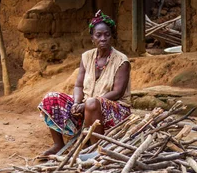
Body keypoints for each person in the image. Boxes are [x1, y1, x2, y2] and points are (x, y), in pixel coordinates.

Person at [39, 10, 132, 156]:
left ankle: (94, 149)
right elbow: (79, 85)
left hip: (114, 109)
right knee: (51, 98)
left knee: (92, 103)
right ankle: (58, 144)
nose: (103, 39)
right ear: (92, 38)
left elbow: (117, 92)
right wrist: (76, 103)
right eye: (98, 35)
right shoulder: (86, 57)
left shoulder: (122, 61)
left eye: (107, 35)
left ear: (112, 36)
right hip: (86, 105)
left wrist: (87, 104)